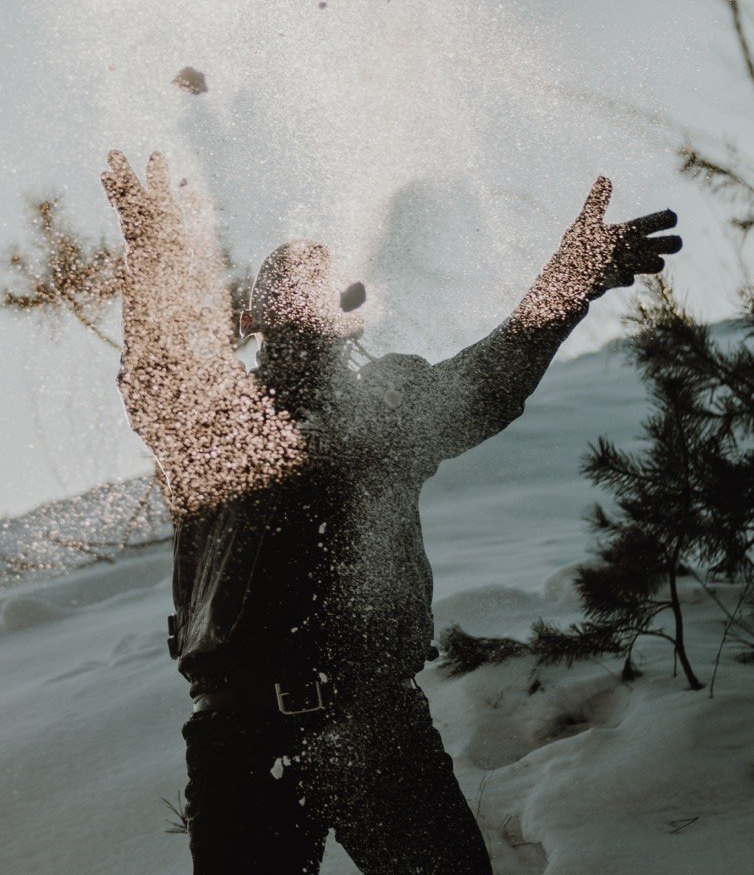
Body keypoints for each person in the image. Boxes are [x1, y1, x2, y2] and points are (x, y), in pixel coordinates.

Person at [99, 151, 680, 875]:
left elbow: (489, 380)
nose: (303, 309)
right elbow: (157, 373)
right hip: (239, 735)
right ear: (253, 321)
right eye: (287, 295)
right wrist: (153, 261)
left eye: (317, 291)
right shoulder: (214, 422)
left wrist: (573, 279)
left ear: (344, 315)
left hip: (373, 723)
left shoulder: (384, 409)